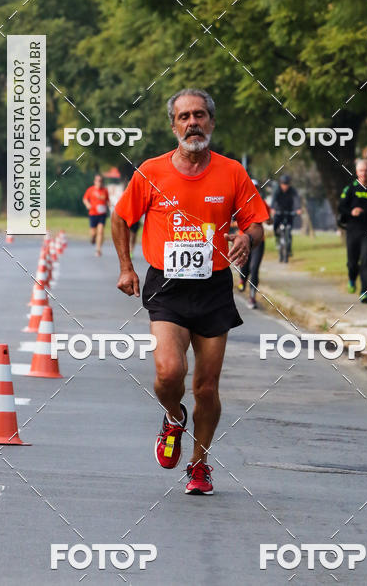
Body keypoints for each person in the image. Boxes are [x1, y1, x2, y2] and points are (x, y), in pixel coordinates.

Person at [111, 88, 269, 496]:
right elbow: (121, 218)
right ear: (173, 125)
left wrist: (247, 240)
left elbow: (255, 222)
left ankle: (199, 465)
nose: (192, 123)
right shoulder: (152, 171)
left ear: (211, 122)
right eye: (184, 116)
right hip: (166, 286)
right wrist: (127, 267)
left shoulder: (232, 172)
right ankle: (172, 415)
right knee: (168, 373)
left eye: (199, 115)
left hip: (214, 288)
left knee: (207, 388)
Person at [337, 159, 367, 302]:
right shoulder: (350, 189)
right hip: (353, 230)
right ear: (357, 172)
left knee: (366, 261)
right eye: (361, 171)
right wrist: (352, 211)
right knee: (352, 263)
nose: (364, 174)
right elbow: (341, 207)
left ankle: (365, 292)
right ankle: (352, 279)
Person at [238, 179, 270, 309]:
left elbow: (269, 219)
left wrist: (270, 220)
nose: (254, 190)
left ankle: (252, 297)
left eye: (256, 188)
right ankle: (242, 280)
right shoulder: (240, 202)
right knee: (244, 267)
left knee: (255, 269)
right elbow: (232, 221)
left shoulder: (262, 203)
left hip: (258, 241)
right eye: (252, 188)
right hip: (243, 240)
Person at [270, 174, 302, 260]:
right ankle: (277, 240)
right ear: (281, 184)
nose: (285, 186)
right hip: (278, 211)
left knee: (289, 229)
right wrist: (272, 208)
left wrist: (298, 208)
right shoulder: (277, 190)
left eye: (286, 184)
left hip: (289, 212)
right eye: (283, 184)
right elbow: (274, 200)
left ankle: (289, 248)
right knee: (276, 226)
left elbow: (296, 199)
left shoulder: (292, 191)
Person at [82, 174, 110, 257]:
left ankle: (98, 249)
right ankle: (93, 237)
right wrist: (87, 204)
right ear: (95, 181)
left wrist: (110, 205)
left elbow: (107, 200)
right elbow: (85, 199)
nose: (99, 182)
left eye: (101, 181)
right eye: (98, 180)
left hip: (102, 214)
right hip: (93, 213)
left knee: (101, 231)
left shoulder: (105, 190)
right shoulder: (90, 190)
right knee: (93, 233)